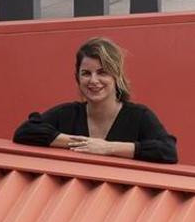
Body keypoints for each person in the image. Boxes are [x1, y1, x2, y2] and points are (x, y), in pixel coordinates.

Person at [13, 37, 178, 164]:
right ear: (77, 78)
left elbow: (167, 151)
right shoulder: (67, 113)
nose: (93, 80)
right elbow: (25, 132)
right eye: (86, 73)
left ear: (116, 76)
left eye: (102, 72)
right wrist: (84, 144)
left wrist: (107, 148)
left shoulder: (139, 116)